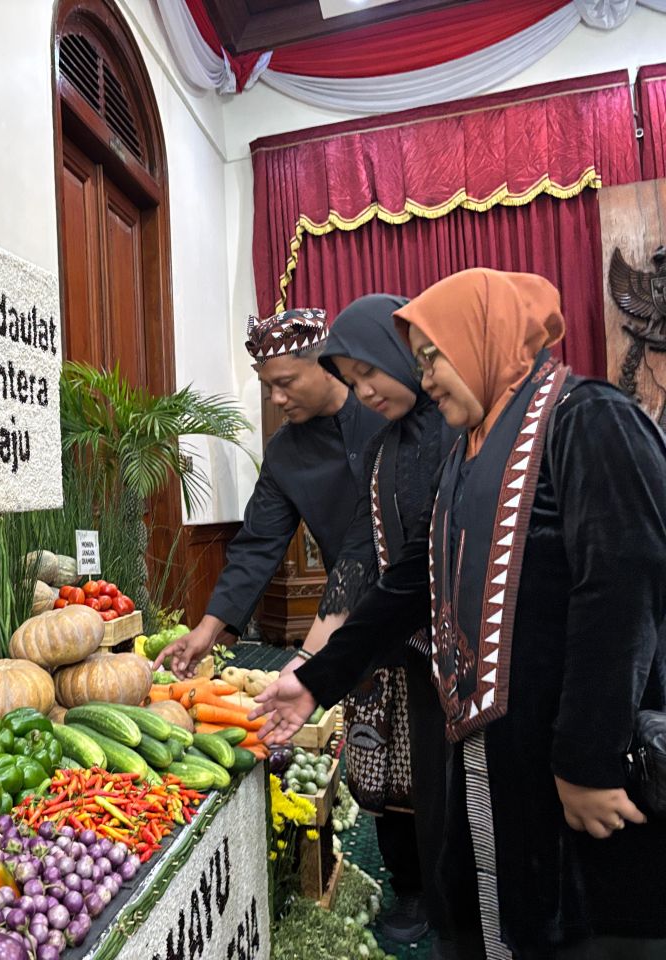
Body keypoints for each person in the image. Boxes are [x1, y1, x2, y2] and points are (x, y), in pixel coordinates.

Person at [253, 269, 666, 960]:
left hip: (574, 777)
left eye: (432, 357)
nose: (427, 378)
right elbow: (409, 583)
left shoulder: (588, 419)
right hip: (491, 758)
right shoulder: (470, 453)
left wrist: (588, 762)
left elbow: (624, 593)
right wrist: (318, 678)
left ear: (484, 337)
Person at [316, 294, 458, 945]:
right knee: (390, 775)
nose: (363, 389)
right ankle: (411, 888)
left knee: (454, 780)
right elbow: (358, 554)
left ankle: (457, 886)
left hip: (462, 650)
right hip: (391, 646)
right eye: (350, 380)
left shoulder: (467, 431)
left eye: (368, 370)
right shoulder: (381, 450)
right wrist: (314, 657)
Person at [154, 307, 385, 678]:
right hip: (347, 619)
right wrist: (209, 628)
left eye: (286, 382)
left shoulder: (386, 409)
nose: (276, 398)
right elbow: (258, 544)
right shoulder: (284, 452)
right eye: (268, 388)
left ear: (326, 365)